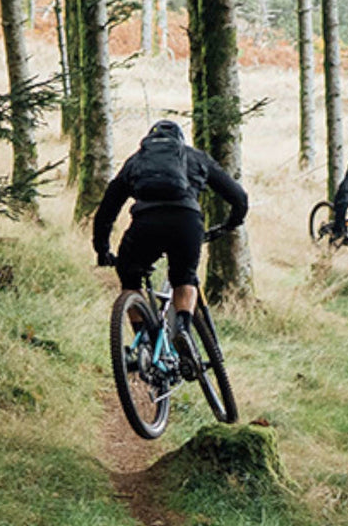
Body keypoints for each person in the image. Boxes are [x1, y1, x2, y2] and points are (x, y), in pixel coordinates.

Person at [92, 120, 248, 363]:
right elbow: (238, 197)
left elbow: (107, 209)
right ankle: (183, 329)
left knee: (130, 279)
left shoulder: (136, 161)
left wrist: (102, 250)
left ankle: (144, 344)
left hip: (146, 224)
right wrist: (230, 224)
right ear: (180, 141)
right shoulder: (195, 157)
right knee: (184, 278)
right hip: (186, 222)